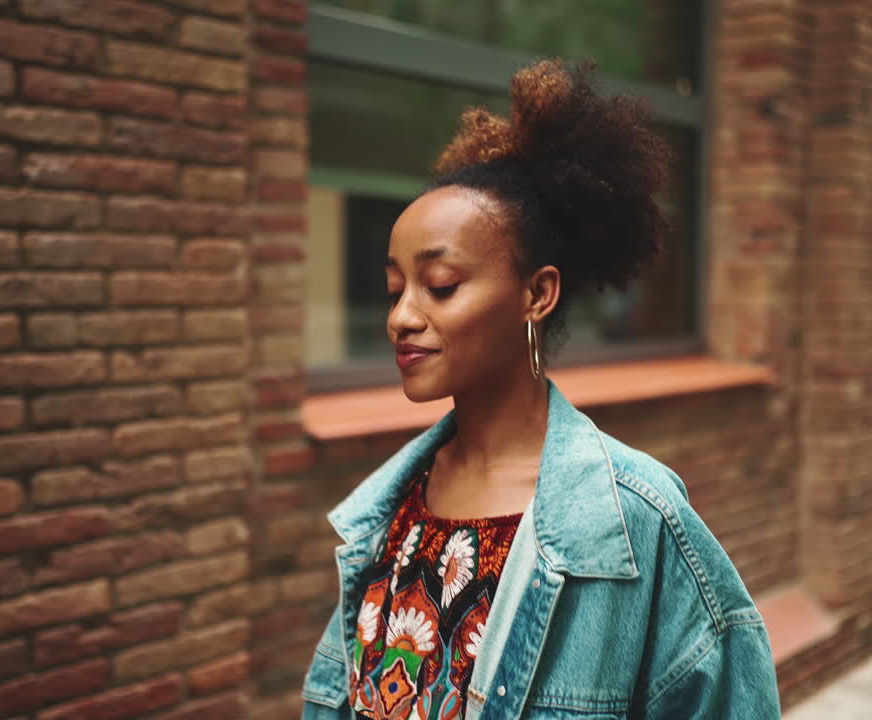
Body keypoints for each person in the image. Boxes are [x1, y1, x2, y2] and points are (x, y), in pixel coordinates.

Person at [302, 59, 780, 720]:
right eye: (394, 289)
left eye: (439, 285)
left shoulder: (634, 519)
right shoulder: (386, 512)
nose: (401, 315)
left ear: (537, 293)